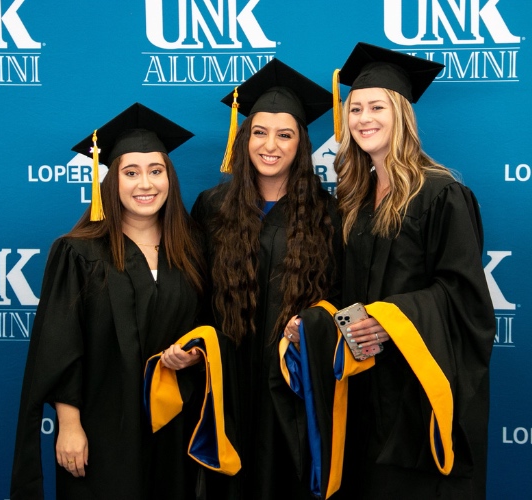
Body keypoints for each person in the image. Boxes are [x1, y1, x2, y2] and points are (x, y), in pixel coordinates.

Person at [10, 103, 206, 500]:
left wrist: (197, 354)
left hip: (175, 427)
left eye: (156, 171)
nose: (145, 184)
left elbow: (210, 328)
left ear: (170, 178)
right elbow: (61, 347)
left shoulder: (192, 250)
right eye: (130, 173)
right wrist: (69, 425)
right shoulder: (79, 253)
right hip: (101, 430)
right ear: (111, 181)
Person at [330, 42, 497, 499]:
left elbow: (465, 297)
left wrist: (389, 320)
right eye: (355, 108)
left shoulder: (441, 194)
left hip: (419, 390)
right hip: (366, 389)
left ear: (401, 113)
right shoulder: (354, 202)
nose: (363, 118)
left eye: (376, 106)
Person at [190, 59, 343, 499]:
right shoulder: (212, 207)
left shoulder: (327, 213)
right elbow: (194, 295)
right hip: (227, 384)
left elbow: (341, 298)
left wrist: (312, 326)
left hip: (292, 385)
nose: (269, 145)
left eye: (285, 134)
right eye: (259, 132)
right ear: (244, 138)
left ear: (302, 144)